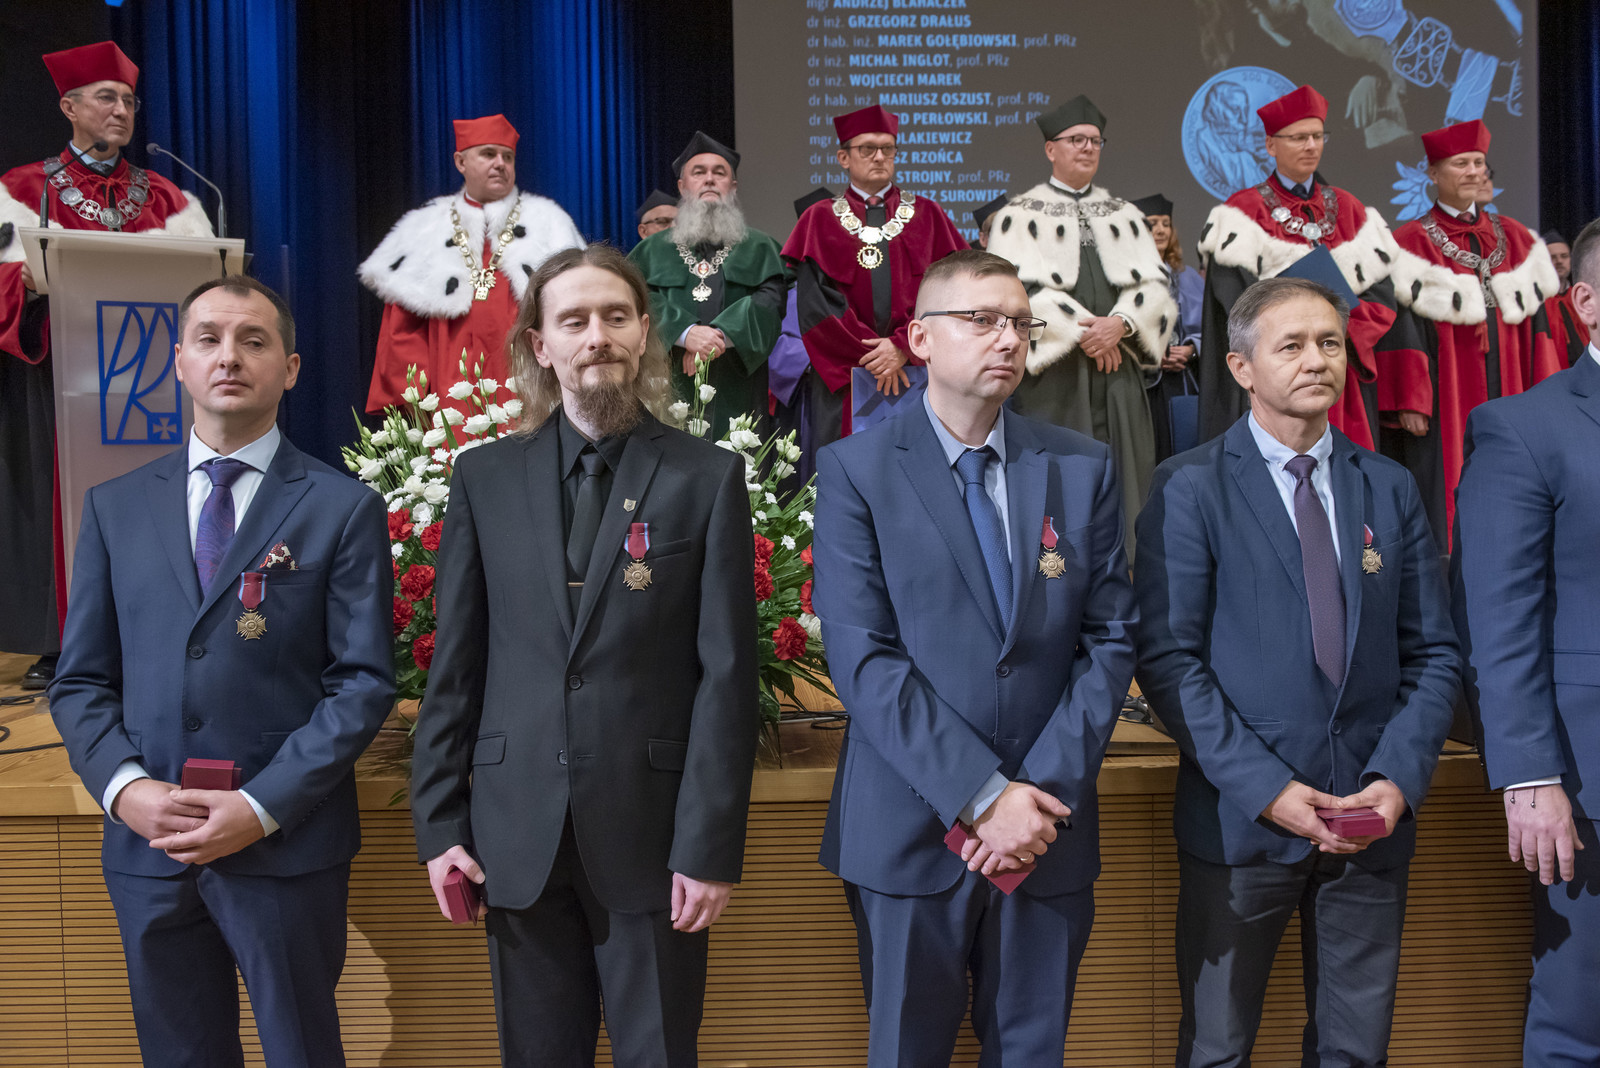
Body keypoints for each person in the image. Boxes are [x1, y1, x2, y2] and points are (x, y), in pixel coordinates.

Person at [409, 244, 759, 1067]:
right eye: (573, 320)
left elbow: (727, 679)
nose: (596, 335)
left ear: (644, 333)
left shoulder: (707, 477)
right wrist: (440, 825)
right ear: (542, 345)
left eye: (615, 316)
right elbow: (455, 667)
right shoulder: (484, 478)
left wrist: (708, 847)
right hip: (513, 836)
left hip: (654, 839)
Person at [47, 274, 395, 1066]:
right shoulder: (113, 507)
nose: (228, 357)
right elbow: (80, 681)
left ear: (291, 368)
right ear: (179, 361)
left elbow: (362, 682)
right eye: (208, 339)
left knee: (302, 1050)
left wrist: (262, 806)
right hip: (151, 846)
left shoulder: (342, 508)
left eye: (253, 340)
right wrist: (126, 790)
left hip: (285, 845)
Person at [814, 249, 1137, 1065]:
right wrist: (984, 797)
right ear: (920, 338)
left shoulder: (1079, 466)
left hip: (1046, 832)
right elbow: (864, 659)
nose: (1008, 338)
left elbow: (1109, 640)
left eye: (1020, 323)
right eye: (982, 320)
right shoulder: (856, 469)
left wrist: (1034, 800)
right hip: (909, 828)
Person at [1134, 276, 1461, 1066]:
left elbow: (1434, 652)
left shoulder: (1387, 485)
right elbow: (1169, 661)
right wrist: (1269, 789)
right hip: (1242, 825)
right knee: (1217, 1050)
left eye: (1330, 343)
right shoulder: (1191, 487)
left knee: (1355, 1053)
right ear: (1242, 367)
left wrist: (1397, 779)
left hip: (1368, 824)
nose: (1317, 360)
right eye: (1292, 345)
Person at [0, 40, 213, 690]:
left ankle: (163, 627)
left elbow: (209, 284)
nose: (121, 110)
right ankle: (64, 640)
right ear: (69, 107)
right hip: (63, 379)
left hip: (152, 379)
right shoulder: (23, 190)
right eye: (106, 97)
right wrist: (28, 282)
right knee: (69, 501)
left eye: (128, 100)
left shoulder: (171, 197)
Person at [1453, 217, 1600, 1068]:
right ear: (1585, 303)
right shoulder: (1522, 426)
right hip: (1585, 780)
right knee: (1580, 1024)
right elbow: (1497, 618)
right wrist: (1529, 775)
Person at [986, 95, 1175, 562]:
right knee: (1060, 482)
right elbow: (1014, 291)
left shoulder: (1124, 214)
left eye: (1095, 141)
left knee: (1130, 482)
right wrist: (1084, 332)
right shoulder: (1018, 215)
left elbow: (1156, 287)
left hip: (1118, 374)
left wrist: (1122, 324)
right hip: (1056, 377)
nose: (1088, 148)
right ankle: (1054, 574)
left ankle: (1130, 576)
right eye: (1076, 140)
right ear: (1051, 149)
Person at [1196, 84, 1414, 455]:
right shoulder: (1241, 214)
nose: (1311, 146)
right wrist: (1297, 339)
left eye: (1317, 136)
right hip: (1276, 376)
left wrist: (1333, 336)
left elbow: (1382, 298)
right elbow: (1238, 306)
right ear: (1270, 145)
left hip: (1342, 372)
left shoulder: (1351, 209)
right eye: (1298, 138)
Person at [1381, 120, 1562, 549]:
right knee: (1447, 505)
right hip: (1445, 396)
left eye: (1479, 162)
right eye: (1461, 163)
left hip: (1512, 387)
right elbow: (1401, 330)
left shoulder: (1518, 239)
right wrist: (1411, 400)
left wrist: (1550, 396)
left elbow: (1540, 328)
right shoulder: (1408, 243)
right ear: (1433, 173)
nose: (1473, 171)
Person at [358, 114, 583, 414]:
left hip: (530, 388)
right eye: (488, 154)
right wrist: (414, 407)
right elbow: (402, 332)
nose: (500, 164)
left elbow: (577, 315)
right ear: (460, 162)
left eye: (507, 157)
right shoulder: (425, 228)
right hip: (449, 397)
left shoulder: (549, 224)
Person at [781, 105, 967, 452]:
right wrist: (874, 357)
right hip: (845, 380)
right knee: (848, 465)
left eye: (887, 149)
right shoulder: (818, 219)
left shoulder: (929, 215)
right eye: (867, 149)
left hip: (919, 369)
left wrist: (902, 346)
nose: (880, 157)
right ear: (844, 157)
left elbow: (954, 293)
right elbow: (815, 308)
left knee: (923, 462)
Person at [628, 131, 786, 438]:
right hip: (667, 379)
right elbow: (636, 301)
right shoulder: (650, 251)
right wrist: (686, 334)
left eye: (719, 173)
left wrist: (720, 337)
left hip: (737, 383)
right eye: (699, 173)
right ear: (682, 186)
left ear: (733, 186)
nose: (710, 179)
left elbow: (770, 302)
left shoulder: (761, 247)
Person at [1134, 193, 1205, 463]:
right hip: (1144, 382)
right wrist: (1152, 355)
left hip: (1185, 380)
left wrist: (1191, 349)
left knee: (1187, 451)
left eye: (1166, 223)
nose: (1161, 230)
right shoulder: (1126, 278)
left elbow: (1212, 329)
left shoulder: (1188, 278)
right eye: (1153, 223)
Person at [1538, 229, 1589, 366]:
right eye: (1552, 257)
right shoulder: (1537, 302)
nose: (1559, 261)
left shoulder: (1581, 297)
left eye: (1564, 256)